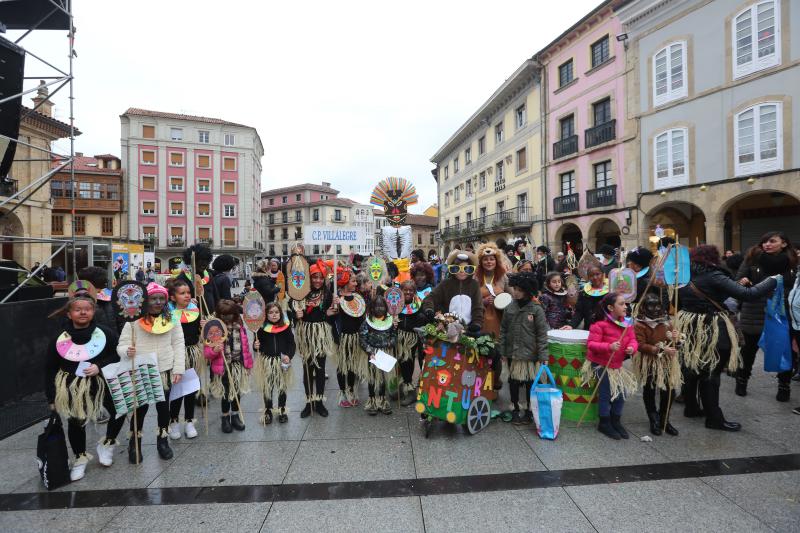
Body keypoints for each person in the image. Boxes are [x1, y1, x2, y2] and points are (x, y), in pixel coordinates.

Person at [677, 244, 778, 431]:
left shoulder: (684, 276)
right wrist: (773, 279)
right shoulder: (714, 275)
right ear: (714, 258)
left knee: (693, 367)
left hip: (689, 324)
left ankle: (691, 407)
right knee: (711, 372)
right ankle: (714, 418)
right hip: (712, 325)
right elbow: (748, 295)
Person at [45, 296, 124, 480]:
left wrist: (100, 366)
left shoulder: (106, 333)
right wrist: (51, 397)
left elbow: (117, 355)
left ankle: (107, 443)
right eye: (78, 309)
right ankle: (80, 458)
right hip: (73, 386)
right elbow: (49, 368)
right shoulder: (59, 339)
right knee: (76, 421)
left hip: (102, 383)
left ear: (93, 311)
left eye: (87, 309)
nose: (83, 312)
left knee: (120, 410)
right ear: (69, 313)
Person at [117, 282, 185, 462]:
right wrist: (126, 351)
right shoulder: (133, 322)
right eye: (153, 298)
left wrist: (178, 368)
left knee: (164, 409)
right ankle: (135, 442)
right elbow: (122, 344)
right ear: (145, 300)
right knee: (140, 409)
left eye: (161, 298)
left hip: (164, 371)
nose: (158, 302)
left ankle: (162, 440)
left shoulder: (173, 320)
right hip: (140, 370)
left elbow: (178, 345)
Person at [735, 231, 797, 401]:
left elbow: (794, 287)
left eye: (772, 241)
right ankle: (742, 380)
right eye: (764, 242)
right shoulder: (752, 259)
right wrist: (743, 283)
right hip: (754, 310)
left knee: (784, 350)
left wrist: (778, 294)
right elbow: (738, 281)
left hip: (781, 312)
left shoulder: (792, 262)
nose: (767, 244)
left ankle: (784, 386)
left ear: (783, 244)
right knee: (748, 350)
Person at [582, 292, 638, 440]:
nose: (625, 306)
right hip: (602, 364)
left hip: (616, 364)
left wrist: (632, 348)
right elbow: (591, 344)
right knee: (606, 393)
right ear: (610, 307)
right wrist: (609, 346)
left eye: (625, 303)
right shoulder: (599, 324)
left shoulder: (627, 323)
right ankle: (604, 422)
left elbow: (633, 339)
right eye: (621, 304)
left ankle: (616, 420)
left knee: (621, 394)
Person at [498, 271, 549, 425]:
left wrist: (543, 356)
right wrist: (503, 352)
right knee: (513, 382)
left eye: (520, 290)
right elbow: (504, 330)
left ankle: (528, 410)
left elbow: (542, 334)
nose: (516, 292)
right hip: (513, 354)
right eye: (515, 289)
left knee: (529, 383)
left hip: (530, 355)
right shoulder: (510, 308)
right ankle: (514, 408)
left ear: (528, 291)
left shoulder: (536, 309)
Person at [291, 260, 336, 417]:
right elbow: (292, 313)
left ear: (324, 279)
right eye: (314, 277)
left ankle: (319, 402)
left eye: (320, 277)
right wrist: (295, 315)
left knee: (320, 368)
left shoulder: (328, 294)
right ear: (309, 278)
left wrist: (329, 315)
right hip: (306, 334)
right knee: (307, 369)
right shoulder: (300, 294)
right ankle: (309, 402)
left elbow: (329, 318)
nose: (317, 280)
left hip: (321, 333)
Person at [634, 292, 681, 436]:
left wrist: (676, 340)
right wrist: (660, 349)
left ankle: (664, 419)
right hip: (650, 361)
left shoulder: (666, 321)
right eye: (651, 306)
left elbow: (676, 343)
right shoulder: (639, 324)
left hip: (666, 362)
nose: (655, 309)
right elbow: (640, 345)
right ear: (644, 307)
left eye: (657, 306)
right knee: (649, 389)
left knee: (669, 390)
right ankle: (653, 418)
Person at [205, 298, 252, 432]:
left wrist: (248, 365)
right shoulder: (213, 329)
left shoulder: (239, 327)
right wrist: (214, 350)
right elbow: (207, 353)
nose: (226, 318)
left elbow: (245, 347)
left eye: (229, 314)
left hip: (237, 365)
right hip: (222, 367)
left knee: (236, 391)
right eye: (223, 315)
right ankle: (225, 417)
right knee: (225, 393)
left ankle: (235, 415)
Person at [165, 278, 203, 440]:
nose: (187, 296)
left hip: (193, 353)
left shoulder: (196, 310)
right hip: (175, 356)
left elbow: (200, 335)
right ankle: (173, 421)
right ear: (173, 297)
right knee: (176, 391)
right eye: (182, 293)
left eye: (188, 292)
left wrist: (204, 327)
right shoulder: (166, 314)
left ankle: (189, 421)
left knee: (190, 389)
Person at [422, 250, 483, 333]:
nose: (462, 271)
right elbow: (431, 297)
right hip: (447, 327)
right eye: (457, 268)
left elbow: (478, 306)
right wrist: (429, 309)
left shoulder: (474, 285)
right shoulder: (445, 284)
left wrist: (477, 323)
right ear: (452, 269)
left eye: (467, 269)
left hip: (469, 328)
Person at [254, 302, 294, 424]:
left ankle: (282, 410)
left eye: (276, 312)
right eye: (271, 312)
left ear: (280, 314)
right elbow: (257, 346)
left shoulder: (286, 328)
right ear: (266, 315)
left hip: (282, 361)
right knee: (268, 387)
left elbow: (291, 344)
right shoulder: (261, 329)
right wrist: (256, 346)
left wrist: (289, 355)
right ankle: (268, 410)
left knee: (282, 386)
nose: (274, 315)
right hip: (267, 361)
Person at [333, 269, 366, 408]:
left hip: (355, 336)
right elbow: (330, 318)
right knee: (342, 366)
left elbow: (361, 317)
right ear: (345, 283)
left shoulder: (357, 297)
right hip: (342, 337)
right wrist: (334, 305)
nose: (355, 283)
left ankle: (351, 390)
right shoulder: (335, 298)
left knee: (352, 365)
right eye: (353, 281)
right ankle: (343, 393)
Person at [359, 296, 396, 415]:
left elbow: (394, 336)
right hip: (372, 354)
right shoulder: (367, 322)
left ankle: (382, 400)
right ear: (372, 308)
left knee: (383, 378)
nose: (379, 308)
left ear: (386, 308)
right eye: (376, 306)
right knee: (372, 378)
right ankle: (372, 401)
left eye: (382, 306)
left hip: (385, 353)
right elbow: (362, 339)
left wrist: (391, 342)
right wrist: (370, 351)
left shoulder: (390, 321)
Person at [395, 280, 426, 406]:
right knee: (400, 361)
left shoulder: (419, 304)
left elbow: (425, 319)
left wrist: (422, 317)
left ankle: (410, 390)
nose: (408, 292)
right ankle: (401, 386)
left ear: (414, 292)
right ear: (401, 291)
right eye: (405, 289)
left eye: (411, 290)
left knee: (408, 360)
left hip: (412, 338)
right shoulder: (395, 304)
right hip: (398, 336)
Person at [179, 244, 219, 314]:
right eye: (201, 260)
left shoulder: (209, 276)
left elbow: (216, 297)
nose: (204, 264)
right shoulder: (182, 278)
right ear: (192, 260)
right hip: (190, 318)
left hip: (209, 318)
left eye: (207, 261)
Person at [570, 265, 609, 329]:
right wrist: (571, 325)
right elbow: (579, 312)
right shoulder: (583, 293)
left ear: (603, 274)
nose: (595, 277)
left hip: (607, 330)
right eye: (591, 275)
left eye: (597, 274)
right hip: (589, 329)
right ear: (588, 277)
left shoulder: (611, 291)